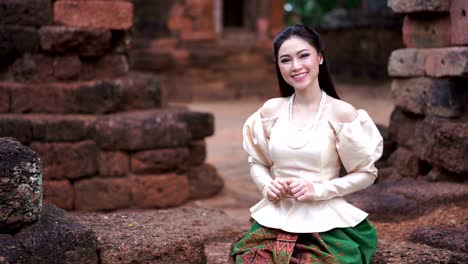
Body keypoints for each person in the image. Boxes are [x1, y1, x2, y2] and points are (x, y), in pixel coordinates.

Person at [231, 24, 383, 263]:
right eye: (285, 60)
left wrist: (318, 190)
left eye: (304, 56)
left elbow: (366, 173)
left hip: (326, 221)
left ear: (320, 57)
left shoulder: (343, 113)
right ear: (278, 66)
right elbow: (257, 162)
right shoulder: (271, 110)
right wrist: (266, 186)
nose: (296, 66)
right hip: (276, 217)